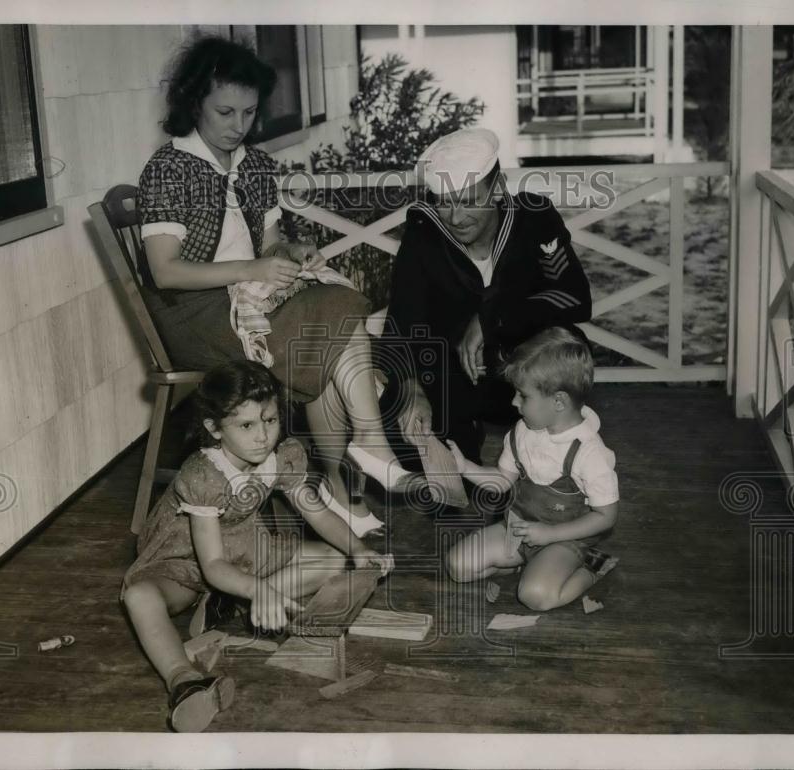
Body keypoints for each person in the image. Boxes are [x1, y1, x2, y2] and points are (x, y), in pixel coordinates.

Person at [137, 35, 419, 535]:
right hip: (193, 314)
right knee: (330, 318)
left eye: (248, 113)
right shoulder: (168, 169)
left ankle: (345, 478)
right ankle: (355, 463)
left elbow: (267, 246)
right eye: (224, 111)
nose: (237, 126)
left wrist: (290, 253)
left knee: (329, 330)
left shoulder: (257, 166)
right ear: (193, 101)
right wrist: (252, 271)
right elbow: (166, 271)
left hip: (249, 303)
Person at [121, 361, 394, 732]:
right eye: (246, 425)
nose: (263, 436)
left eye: (269, 420)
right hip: (184, 561)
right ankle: (183, 680)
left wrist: (358, 550)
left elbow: (316, 513)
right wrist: (258, 587)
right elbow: (212, 563)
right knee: (139, 595)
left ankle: (231, 603)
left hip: (245, 549)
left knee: (333, 559)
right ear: (214, 429)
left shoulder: (280, 456)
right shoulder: (202, 475)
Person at [380, 127, 593, 464]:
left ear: (497, 189)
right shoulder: (424, 234)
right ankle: (464, 447)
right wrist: (411, 389)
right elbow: (402, 323)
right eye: (444, 203)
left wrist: (490, 318)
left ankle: (552, 465)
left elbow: (575, 298)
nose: (455, 217)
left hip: (520, 375)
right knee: (401, 433)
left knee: (567, 351)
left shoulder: (533, 219)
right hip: (453, 378)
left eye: (467, 201)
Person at [444, 327, 619, 611]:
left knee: (535, 596)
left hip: (566, 539)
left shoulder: (590, 452)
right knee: (458, 566)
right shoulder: (523, 432)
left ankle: (592, 568)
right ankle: (526, 565)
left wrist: (549, 535)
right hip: (521, 527)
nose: (514, 402)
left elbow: (606, 517)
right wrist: (464, 467)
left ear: (559, 402)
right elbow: (502, 480)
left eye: (523, 396)